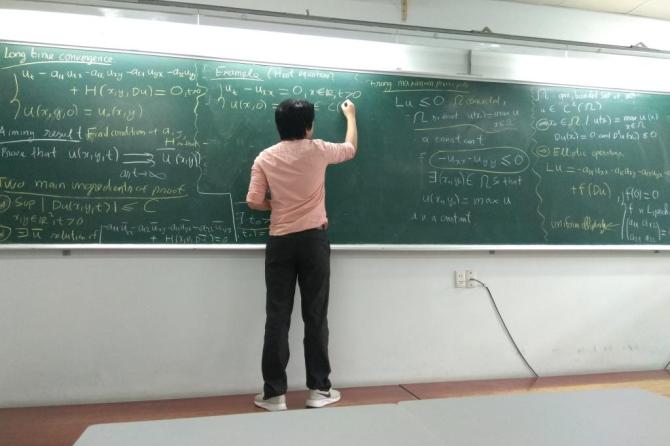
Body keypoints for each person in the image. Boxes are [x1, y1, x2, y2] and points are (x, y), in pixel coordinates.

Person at [246, 98, 358, 411]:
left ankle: (274, 394)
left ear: (278, 126)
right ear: (308, 127)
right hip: (313, 241)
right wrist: (351, 117)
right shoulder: (318, 150)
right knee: (315, 315)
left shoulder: (265, 157)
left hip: (280, 241)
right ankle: (319, 390)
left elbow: (253, 200)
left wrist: (276, 205)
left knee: (277, 317)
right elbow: (350, 149)